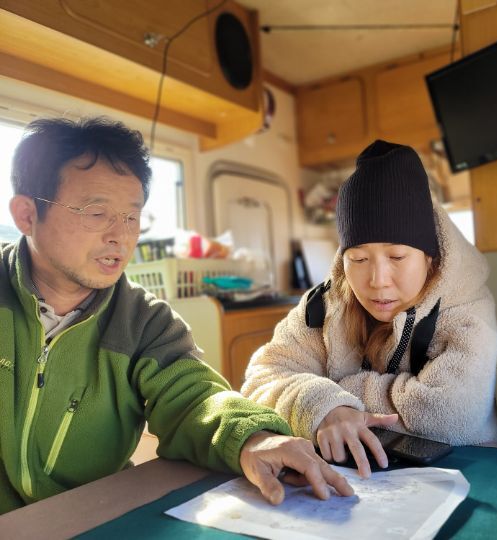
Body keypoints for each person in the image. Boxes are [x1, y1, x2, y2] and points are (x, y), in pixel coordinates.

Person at [0, 117, 353, 514]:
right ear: (26, 215)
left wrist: (254, 438)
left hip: (91, 515)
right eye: (96, 213)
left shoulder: (144, 323)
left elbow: (195, 399)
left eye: (132, 217)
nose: (121, 236)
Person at [241, 140, 497, 477]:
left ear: (429, 257)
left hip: (465, 473)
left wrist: (338, 394)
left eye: (397, 256)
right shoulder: (322, 307)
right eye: (359, 258)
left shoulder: (467, 308)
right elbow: (259, 380)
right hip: (352, 479)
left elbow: (450, 415)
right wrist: (326, 407)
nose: (378, 280)